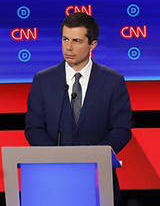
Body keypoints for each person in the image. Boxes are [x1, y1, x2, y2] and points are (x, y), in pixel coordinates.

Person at [25, 11, 132, 153]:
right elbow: (34, 128)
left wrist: (94, 157)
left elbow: (121, 130)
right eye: (65, 39)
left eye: (76, 41)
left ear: (92, 45)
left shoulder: (113, 81)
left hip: (98, 171)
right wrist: (56, 158)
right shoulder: (43, 80)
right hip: (55, 170)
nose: (68, 47)